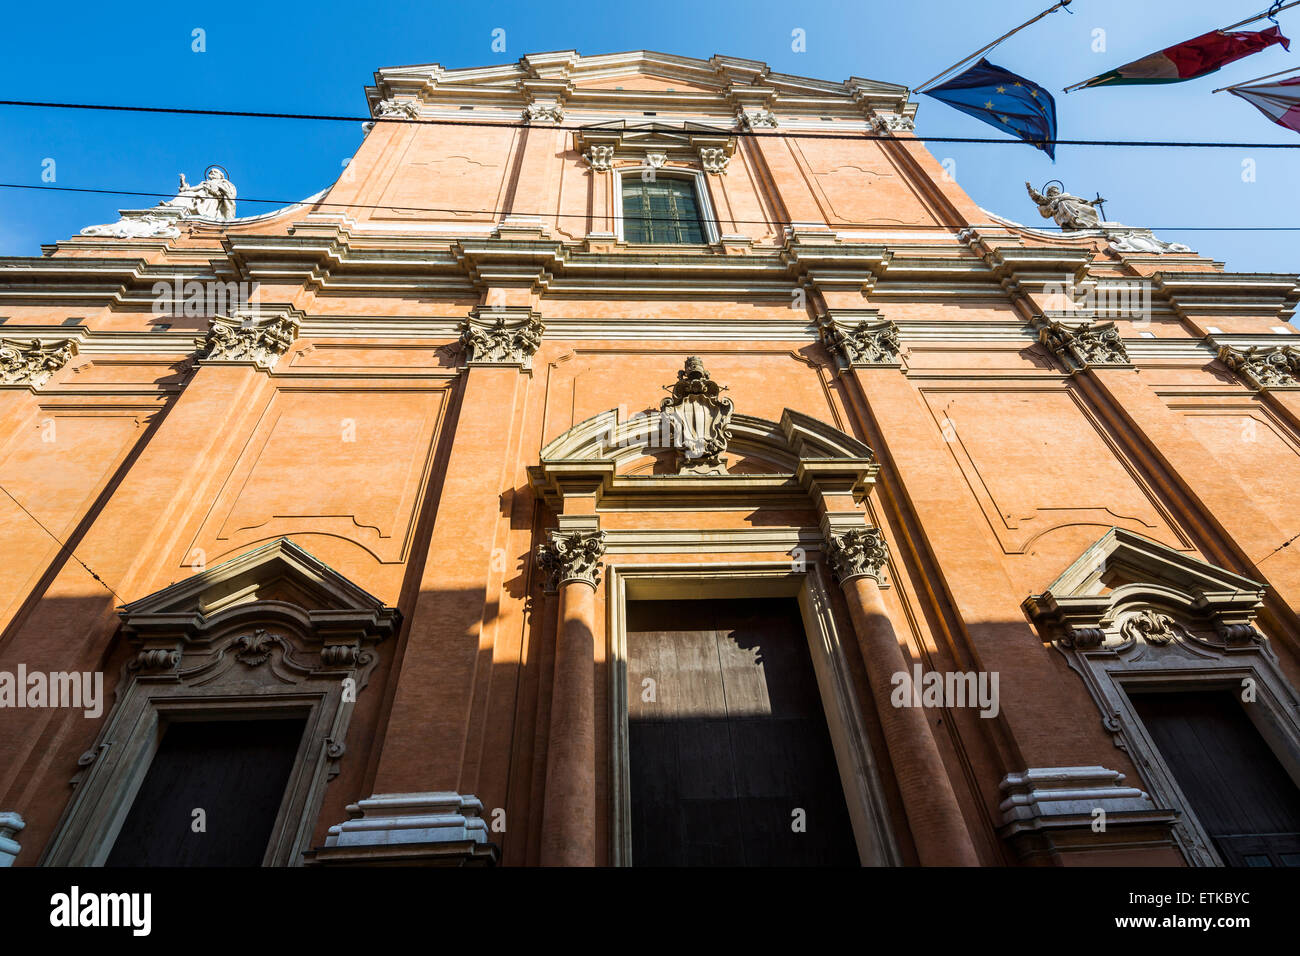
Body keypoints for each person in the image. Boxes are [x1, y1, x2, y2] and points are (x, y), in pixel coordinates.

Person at [1025, 181, 1104, 230]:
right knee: (1063, 204)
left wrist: (1093, 202)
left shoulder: (1066, 195)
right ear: (1050, 193)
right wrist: (1030, 189)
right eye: (1053, 191)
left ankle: (1090, 225)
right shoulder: (1051, 199)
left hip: (1076, 206)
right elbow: (1038, 198)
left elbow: (1080, 201)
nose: (1056, 192)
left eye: (1056, 190)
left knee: (1090, 210)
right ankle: (1075, 223)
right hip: (1063, 208)